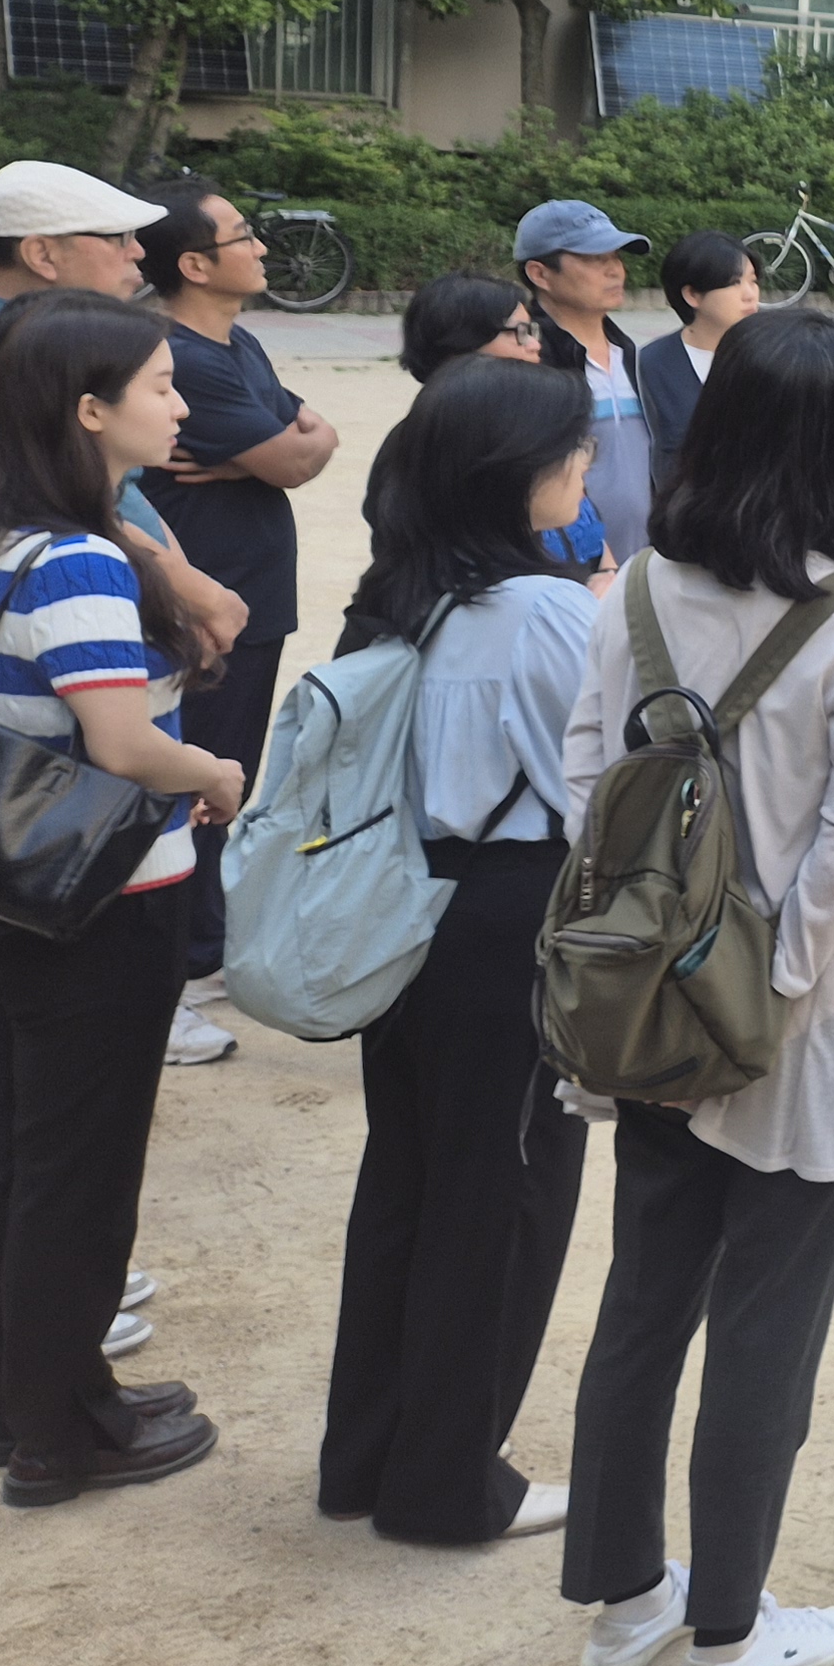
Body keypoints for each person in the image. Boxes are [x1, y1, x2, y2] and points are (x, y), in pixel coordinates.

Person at [556, 307, 834, 1666]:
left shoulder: (640, 591)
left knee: (643, 1300)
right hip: (803, 1027)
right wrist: (773, 992)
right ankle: (727, 1630)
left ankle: (625, 1599)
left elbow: (589, 778)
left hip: (648, 1007)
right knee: (768, 1325)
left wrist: (649, 958)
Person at [0, 293, 247, 1504]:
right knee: (82, 1176)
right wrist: (211, 771)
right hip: (101, 906)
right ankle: (65, 1437)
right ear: (89, 411)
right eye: (161, 384)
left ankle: (35, 1409)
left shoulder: (3, 534)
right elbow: (121, 743)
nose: (180, 403)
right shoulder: (77, 559)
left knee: (27, 1157)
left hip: (10, 898)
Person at [316, 356, 600, 1546]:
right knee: (506, 1194)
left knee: (409, 1180)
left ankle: (366, 1457)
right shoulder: (543, 609)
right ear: (515, 473)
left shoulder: (398, 594)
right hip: (507, 916)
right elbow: (598, 788)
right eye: (573, 446)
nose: (587, 464)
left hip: (403, 908)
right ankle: (448, 1484)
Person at [0, 161, 235, 1217]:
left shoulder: (43, 357)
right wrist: (184, 591)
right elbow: (121, 737)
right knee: (25, 911)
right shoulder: (11, 367)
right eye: (116, 238)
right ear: (45, 255)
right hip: (75, 777)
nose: (139, 256)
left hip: (65, 699)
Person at [138, 179, 339, 1033]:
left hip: (249, 596)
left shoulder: (238, 341)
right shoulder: (187, 357)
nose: (260, 248)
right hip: (205, 603)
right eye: (242, 236)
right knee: (199, 775)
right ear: (193, 264)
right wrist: (274, 453)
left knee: (229, 771)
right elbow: (293, 457)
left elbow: (315, 433)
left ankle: (205, 938)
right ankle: (185, 960)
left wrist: (268, 453)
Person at [394, 274, 612, 586]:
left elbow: (590, 530)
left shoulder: (533, 422)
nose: (535, 346)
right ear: (461, 344)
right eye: (519, 334)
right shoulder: (429, 447)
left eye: (532, 331)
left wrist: (606, 574)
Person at [517, 200, 656, 565]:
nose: (614, 270)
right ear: (540, 273)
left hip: (645, 566)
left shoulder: (634, 357)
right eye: (594, 259)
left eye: (616, 256)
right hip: (570, 573)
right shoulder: (527, 364)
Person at [636, 230, 761, 472]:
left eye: (753, 281)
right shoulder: (651, 365)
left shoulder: (772, 355)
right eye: (734, 283)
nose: (750, 294)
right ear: (692, 295)